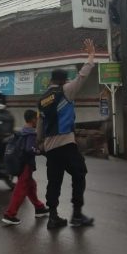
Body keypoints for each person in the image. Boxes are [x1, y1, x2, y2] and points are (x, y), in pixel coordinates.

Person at [37, 38, 96, 229]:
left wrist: (40, 144)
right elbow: (82, 76)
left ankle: (53, 217)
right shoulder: (66, 91)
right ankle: (77, 214)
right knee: (80, 173)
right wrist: (91, 56)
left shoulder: (43, 99)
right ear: (62, 80)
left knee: (54, 181)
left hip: (50, 147)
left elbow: (40, 124)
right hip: (66, 143)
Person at [2, 109, 49, 225]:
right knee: (21, 189)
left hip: (19, 163)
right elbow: (29, 149)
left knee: (31, 186)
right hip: (25, 165)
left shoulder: (22, 131)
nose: (38, 122)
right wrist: (40, 151)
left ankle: (39, 208)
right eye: (37, 119)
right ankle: (10, 214)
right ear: (33, 119)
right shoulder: (31, 133)